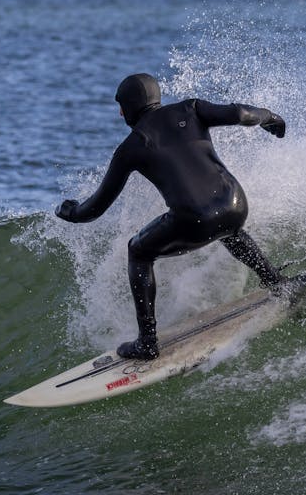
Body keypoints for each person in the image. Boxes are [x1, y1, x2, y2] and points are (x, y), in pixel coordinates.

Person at [56, 73, 287, 361]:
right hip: (236, 204)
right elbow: (241, 113)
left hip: (194, 222)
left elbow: (94, 209)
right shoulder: (190, 109)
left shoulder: (132, 146)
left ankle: (147, 342)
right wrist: (271, 118)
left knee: (138, 251)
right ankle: (278, 284)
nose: (119, 113)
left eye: (120, 106)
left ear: (129, 106)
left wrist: (70, 212)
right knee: (229, 230)